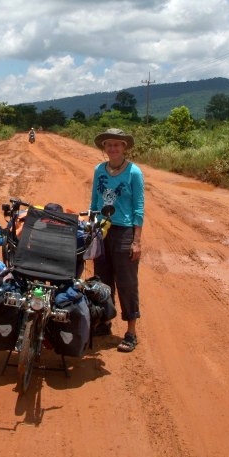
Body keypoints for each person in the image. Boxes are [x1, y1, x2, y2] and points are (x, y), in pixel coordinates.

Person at [90, 128, 144, 353]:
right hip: (102, 230)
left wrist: (137, 240)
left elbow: (138, 207)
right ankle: (104, 323)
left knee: (127, 282)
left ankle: (131, 331)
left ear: (124, 148)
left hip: (124, 232)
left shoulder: (134, 172)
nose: (113, 148)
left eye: (117, 144)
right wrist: (92, 227)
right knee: (102, 281)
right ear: (104, 148)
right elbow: (94, 201)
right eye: (109, 144)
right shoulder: (99, 170)